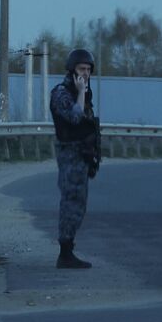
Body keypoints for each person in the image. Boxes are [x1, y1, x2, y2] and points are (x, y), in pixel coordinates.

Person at [50, 48, 102, 269]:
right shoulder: (61, 93)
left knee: (79, 204)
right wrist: (80, 93)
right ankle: (65, 253)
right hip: (69, 155)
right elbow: (74, 117)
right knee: (71, 203)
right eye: (82, 69)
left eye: (89, 69)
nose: (86, 74)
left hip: (81, 155)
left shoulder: (83, 93)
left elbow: (87, 122)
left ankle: (68, 250)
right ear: (72, 70)